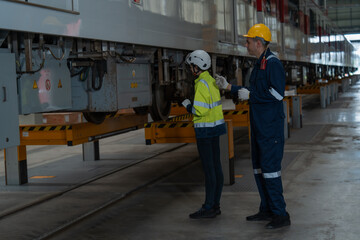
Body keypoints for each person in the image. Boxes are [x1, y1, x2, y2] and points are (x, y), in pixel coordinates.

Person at [215, 23, 291, 229]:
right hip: (259, 127)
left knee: (270, 171)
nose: (245, 44)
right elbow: (252, 91)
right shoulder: (260, 63)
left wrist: (252, 95)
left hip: (270, 129)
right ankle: (267, 209)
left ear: (259, 43)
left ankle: (280, 214)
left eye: (248, 41)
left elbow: (277, 94)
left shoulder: (272, 63)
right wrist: (229, 87)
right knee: (259, 170)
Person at [182, 50, 227, 219]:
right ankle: (215, 205)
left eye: (191, 66)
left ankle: (209, 207)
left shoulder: (201, 83)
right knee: (216, 168)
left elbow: (199, 111)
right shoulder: (211, 81)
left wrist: (187, 105)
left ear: (197, 67)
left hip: (204, 132)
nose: (190, 69)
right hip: (215, 129)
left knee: (209, 171)